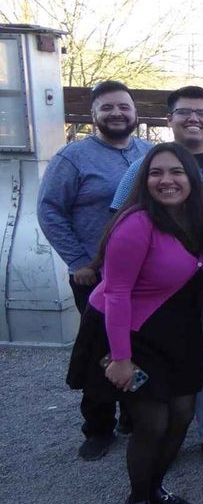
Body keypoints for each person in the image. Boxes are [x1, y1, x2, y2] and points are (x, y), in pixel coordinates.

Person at [67, 143, 203, 504]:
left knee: (182, 415)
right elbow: (115, 293)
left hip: (179, 333)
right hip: (129, 332)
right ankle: (138, 500)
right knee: (152, 421)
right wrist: (119, 358)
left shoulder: (201, 221)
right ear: (144, 181)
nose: (166, 181)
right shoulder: (135, 224)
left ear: (192, 179)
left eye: (176, 172)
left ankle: (155, 486)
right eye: (156, 173)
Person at [113, 86, 203, 469]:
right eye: (184, 112)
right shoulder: (144, 167)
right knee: (159, 363)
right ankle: (153, 431)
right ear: (169, 119)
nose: (194, 119)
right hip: (160, 293)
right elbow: (120, 215)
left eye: (202, 113)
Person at [38, 80, 152, 460]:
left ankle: (132, 416)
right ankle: (98, 425)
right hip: (96, 276)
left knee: (141, 346)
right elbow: (50, 211)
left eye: (124, 106)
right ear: (94, 115)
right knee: (101, 350)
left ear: (135, 113)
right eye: (107, 108)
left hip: (145, 277)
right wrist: (78, 261)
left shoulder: (151, 153)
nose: (117, 113)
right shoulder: (73, 158)